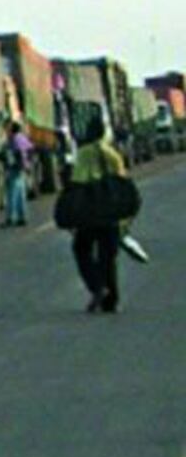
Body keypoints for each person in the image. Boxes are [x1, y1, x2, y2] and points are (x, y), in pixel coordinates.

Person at [70, 116, 127, 313]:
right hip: (110, 213)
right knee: (108, 258)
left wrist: (72, 216)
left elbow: (78, 183)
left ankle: (96, 286)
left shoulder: (84, 154)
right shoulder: (114, 155)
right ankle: (111, 301)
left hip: (89, 213)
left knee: (81, 249)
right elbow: (123, 186)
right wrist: (124, 222)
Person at [2, 121, 34, 227]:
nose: (6, 130)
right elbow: (30, 149)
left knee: (12, 195)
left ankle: (10, 218)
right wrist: (27, 164)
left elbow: (16, 154)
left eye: (7, 128)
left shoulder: (13, 139)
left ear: (12, 129)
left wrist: (18, 163)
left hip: (15, 169)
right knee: (21, 194)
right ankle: (22, 217)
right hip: (21, 169)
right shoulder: (22, 137)